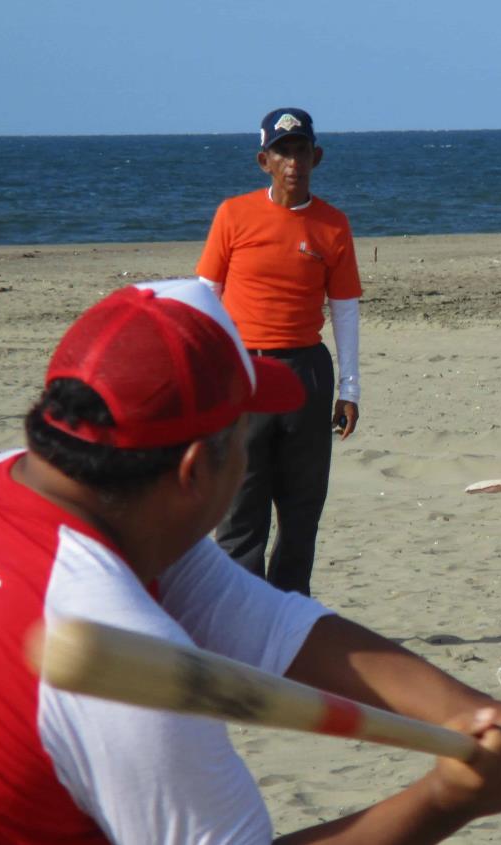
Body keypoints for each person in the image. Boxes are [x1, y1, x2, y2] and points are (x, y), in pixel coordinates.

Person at [0, 279, 501, 844]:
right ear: (196, 469)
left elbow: (273, 625)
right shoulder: (126, 663)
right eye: (246, 433)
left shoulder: (24, 487)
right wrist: (447, 799)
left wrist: (477, 714)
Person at [197, 107, 360, 595]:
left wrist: (349, 388)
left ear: (317, 156)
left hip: (305, 374)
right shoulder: (233, 214)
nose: (294, 161)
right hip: (243, 372)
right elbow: (206, 293)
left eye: (302, 150)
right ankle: (240, 615)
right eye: (283, 152)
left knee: (301, 509)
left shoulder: (333, 225)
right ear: (263, 160)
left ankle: (289, 612)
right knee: (240, 507)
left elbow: (345, 310)